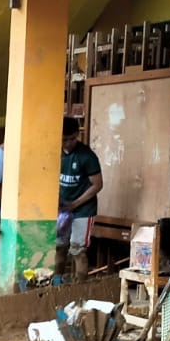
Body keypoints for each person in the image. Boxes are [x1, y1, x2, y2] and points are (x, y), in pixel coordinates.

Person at [58, 117, 104, 280]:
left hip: (83, 209)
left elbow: (97, 185)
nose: (68, 143)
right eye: (64, 139)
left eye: (72, 139)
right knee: (59, 248)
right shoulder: (53, 152)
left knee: (78, 249)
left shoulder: (87, 156)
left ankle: (80, 288)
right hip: (61, 209)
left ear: (77, 135)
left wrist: (75, 204)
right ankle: (56, 285)